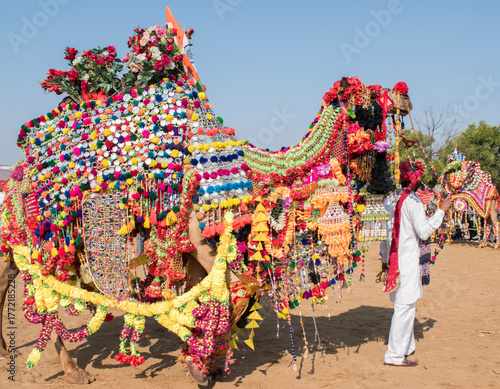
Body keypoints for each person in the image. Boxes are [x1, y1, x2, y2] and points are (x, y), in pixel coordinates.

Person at [379, 161, 453, 367]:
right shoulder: (413, 202)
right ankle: (394, 356)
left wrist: (384, 258)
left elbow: (386, 231)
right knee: (405, 307)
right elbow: (423, 232)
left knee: (405, 306)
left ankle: (406, 347)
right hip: (406, 260)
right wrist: (441, 211)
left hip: (394, 259)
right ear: (415, 180)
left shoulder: (390, 200)